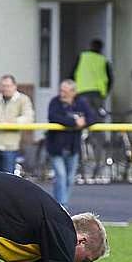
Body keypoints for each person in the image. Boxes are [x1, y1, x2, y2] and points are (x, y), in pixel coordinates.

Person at [46, 79, 94, 208]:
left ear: (73, 92)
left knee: (69, 179)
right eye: (61, 90)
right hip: (56, 147)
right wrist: (74, 122)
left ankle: (56, 205)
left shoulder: (81, 103)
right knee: (60, 176)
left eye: (65, 91)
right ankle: (63, 207)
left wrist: (84, 122)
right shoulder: (55, 102)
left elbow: (92, 118)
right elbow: (53, 117)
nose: (62, 94)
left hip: (73, 147)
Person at [72, 39, 112, 180]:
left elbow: (72, 74)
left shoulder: (82, 57)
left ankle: (79, 166)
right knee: (97, 129)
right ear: (101, 48)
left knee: (78, 125)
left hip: (82, 94)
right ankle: (97, 165)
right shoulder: (103, 60)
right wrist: (104, 93)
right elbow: (110, 80)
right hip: (97, 96)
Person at [0, 75, 34, 173]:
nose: (5, 88)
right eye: (3, 86)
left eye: (8, 86)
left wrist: (9, 122)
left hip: (10, 146)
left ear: (15, 86)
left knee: (7, 178)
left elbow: (28, 118)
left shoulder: (23, 99)